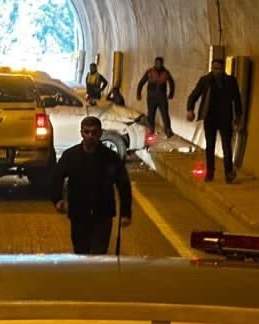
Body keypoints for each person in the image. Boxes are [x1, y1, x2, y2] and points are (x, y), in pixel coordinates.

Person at [52, 116, 132, 254]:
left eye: (94, 132)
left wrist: (125, 213)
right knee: (80, 253)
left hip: (103, 214)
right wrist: (57, 199)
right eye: (87, 132)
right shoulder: (71, 156)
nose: (90, 136)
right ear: (81, 133)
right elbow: (56, 177)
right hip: (78, 213)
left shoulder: (111, 158)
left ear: (100, 133)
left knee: (99, 255)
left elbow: (123, 185)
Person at [186, 59, 243, 183]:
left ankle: (228, 172)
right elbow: (194, 95)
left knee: (226, 146)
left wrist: (238, 116)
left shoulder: (230, 81)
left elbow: (237, 99)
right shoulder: (205, 80)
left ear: (223, 69)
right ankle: (210, 172)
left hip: (225, 117)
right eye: (214, 68)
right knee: (210, 145)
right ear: (211, 68)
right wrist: (190, 109)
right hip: (210, 117)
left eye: (219, 68)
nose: (216, 71)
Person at [137, 57, 175, 137]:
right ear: (154, 63)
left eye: (160, 63)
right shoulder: (150, 72)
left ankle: (168, 130)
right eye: (157, 63)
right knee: (151, 114)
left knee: (165, 114)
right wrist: (138, 93)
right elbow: (141, 82)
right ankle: (150, 130)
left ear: (162, 64)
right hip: (151, 98)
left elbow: (171, 83)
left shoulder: (166, 73)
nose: (158, 65)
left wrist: (171, 93)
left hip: (162, 98)